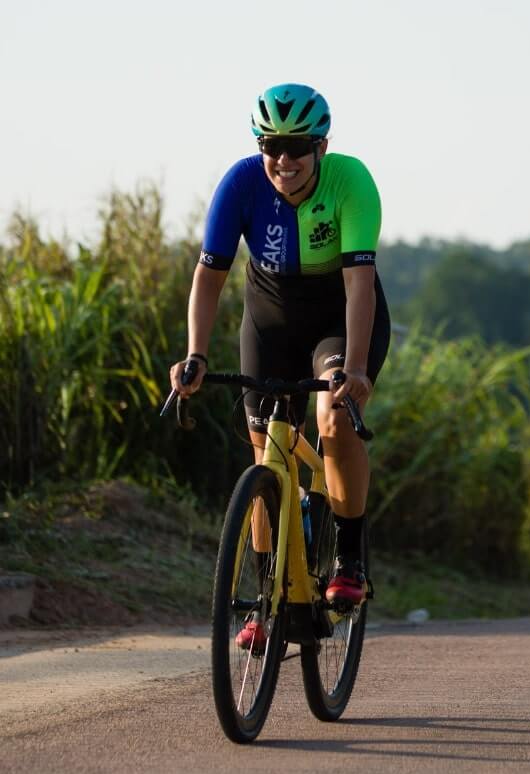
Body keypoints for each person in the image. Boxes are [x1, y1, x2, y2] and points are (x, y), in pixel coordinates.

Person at [168, 83, 391, 647]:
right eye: (272, 146)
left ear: (322, 146)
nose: (284, 161)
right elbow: (209, 277)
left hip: (338, 317)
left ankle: (348, 558)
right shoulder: (241, 182)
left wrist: (356, 369)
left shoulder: (351, 181)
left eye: (297, 147)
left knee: (333, 417)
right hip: (269, 315)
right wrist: (195, 355)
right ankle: (266, 597)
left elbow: (359, 284)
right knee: (263, 447)